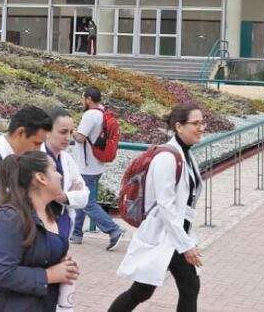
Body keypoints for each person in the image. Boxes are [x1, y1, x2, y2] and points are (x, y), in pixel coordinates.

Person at [109, 103, 206, 312]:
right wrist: (186, 245)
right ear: (179, 127)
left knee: (145, 290)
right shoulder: (167, 158)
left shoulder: (185, 155)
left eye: (202, 122)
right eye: (195, 123)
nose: (201, 127)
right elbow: (166, 206)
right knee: (187, 287)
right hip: (164, 235)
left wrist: (187, 238)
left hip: (173, 234)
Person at [0, 151, 79, 311]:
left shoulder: (50, 213)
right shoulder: (8, 218)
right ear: (41, 178)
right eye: (54, 170)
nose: (60, 176)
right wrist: (49, 275)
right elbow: (3, 273)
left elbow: (43, 257)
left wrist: (65, 266)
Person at [71, 89, 124, 249]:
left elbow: (80, 138)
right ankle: (76, 233)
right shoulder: (103, 113)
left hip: (86, 166)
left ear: (88, 99)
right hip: (97, 165)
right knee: (81, 197)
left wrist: (72, 130)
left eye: (83, 99)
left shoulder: (90, 115)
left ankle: (114, 230)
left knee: (86, 202)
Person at [43, 108, 89, 226]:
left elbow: (84, 196)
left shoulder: (68, 160)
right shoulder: (34, 157)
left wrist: (64, 196)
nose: (68, 137)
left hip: (62, 224)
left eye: (71, 132)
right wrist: (70, 196)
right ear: (47, 131)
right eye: (63, 132)